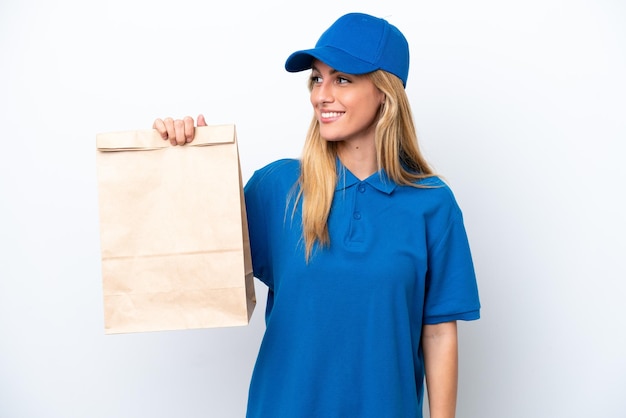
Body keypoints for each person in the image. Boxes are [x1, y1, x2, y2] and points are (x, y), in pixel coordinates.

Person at [153, 12, 480, 418]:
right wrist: (184, 160)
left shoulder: (432, 203)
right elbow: (193, 265)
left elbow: (437, 332)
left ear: (385, 92)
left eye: (342, 79)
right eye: (316, 78)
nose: (321, 94)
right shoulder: (279, 187)